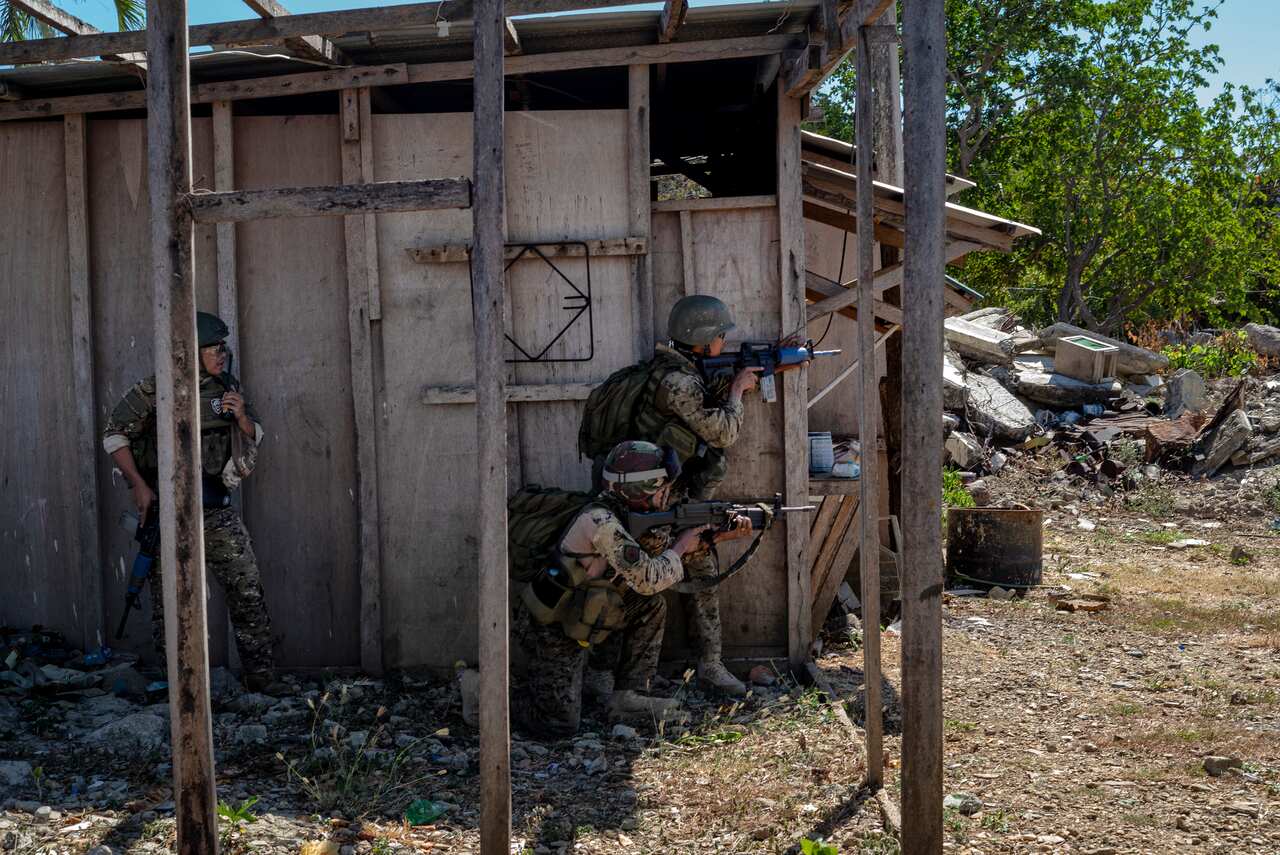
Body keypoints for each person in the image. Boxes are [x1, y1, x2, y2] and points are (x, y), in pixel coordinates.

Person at [578, 295, 775, 696]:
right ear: (702, 341)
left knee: (652, 578)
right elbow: (722, 432)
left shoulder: (670, 372)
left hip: (656, 493)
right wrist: (738, 389)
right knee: (638, 584)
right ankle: (682, 670)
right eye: (720, 336)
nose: (723, 341)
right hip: (655, 499)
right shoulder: (679, 383)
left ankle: (692, 668)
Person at [503, 440, 752, 738]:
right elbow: (648, 577)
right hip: (552, 629)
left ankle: (629, 694)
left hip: (582, 613)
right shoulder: (601, 522)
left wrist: (715, 538)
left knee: (648, 605)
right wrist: (682, 543)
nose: (667, 494)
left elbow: (649, 570)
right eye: (662, 488)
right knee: (558, 724)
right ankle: (484, 695)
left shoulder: (624, 515)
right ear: (641, 489)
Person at [102, 311, 282, 694]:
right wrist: (138, 485)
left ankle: (263, 682)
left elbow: (256, 434)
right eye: (214, 347)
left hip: (215, 509)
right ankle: (181, 691)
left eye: (223, 346)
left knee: (247, 589)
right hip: (169, 513)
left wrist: (243, 417)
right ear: (190, 351)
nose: (222, 354)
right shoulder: (157, 390)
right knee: (170, 605)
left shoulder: (227, 385)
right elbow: (114, 433)